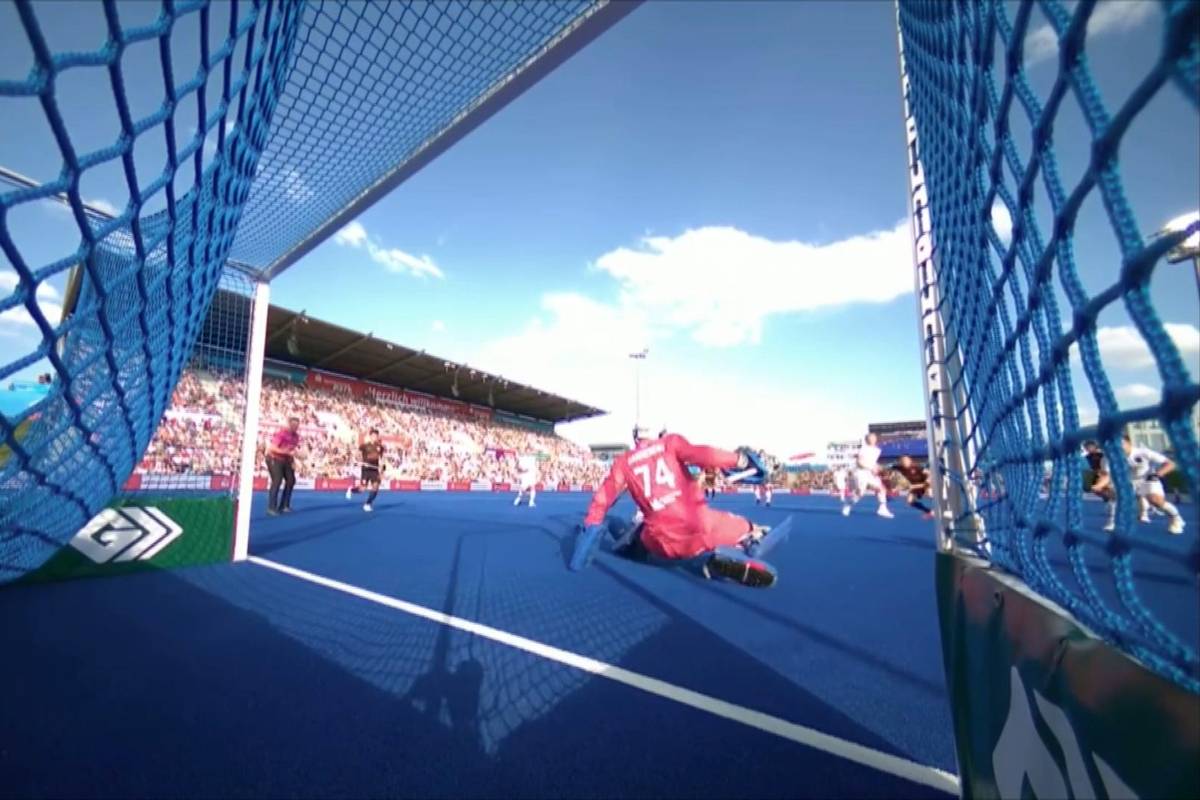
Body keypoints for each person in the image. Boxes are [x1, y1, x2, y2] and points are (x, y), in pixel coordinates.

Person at [572, 427, 775, 587]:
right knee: (731, 524)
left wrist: (590, 525)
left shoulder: (623, 463)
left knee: (640, 534)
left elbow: (602, 499)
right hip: (699, 526)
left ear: (635, 437)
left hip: (660, 542)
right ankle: (747, 536)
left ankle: (633, 549)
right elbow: (706, 454)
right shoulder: (671, 443)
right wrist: (739, 459)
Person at [1110, 434, 1186, 535]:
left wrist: (1158, 474)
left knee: (1156, 501)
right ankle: (1116, 523)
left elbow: (1170, 464)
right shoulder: (1114, 457)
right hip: (1130, 482)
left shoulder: (1144, 452)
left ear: (1129, 443)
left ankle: (1176, 518)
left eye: (1121, 443)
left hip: (1148, 479)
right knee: (1116, 498)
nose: (1118, 447)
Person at [842, 432, 893, 518]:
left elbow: (872, 462)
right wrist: (871, 468)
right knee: (860, 493)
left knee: (881, 488)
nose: (873, 439)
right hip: (860, 473)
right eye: (870, 438)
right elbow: (859, 462)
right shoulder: (863, 449)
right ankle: (848, 505)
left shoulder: (877, 450)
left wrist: (877, 467)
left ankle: (882, 509)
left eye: (874, 437)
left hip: (870, 473)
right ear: (867, 440)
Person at [266, 417, 301, 516]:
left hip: (286, 460)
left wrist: (293, 461)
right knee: (277, 480)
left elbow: (291, 451)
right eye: (293, 425)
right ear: (289, 425)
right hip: (274, 458)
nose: (295, 427)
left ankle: (284, 505)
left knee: (291, 480)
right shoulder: (281, 434)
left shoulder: (296, 437)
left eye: (297, 426)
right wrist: (285, 452)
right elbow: (272, 448)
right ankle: (271, 508)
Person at [345, 428, 385, 512]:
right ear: (370, 436)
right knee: (362, 489)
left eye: (376, 436)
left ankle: (367, 504)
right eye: (373, 436)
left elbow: (382, 459)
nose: (375, 437)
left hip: (375, 469)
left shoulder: (380, 447)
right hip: (366, 469)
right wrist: (358, 461)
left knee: (375, 487)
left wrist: (382, 469)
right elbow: (357, 454)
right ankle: (351, 490)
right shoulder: (364, 446)